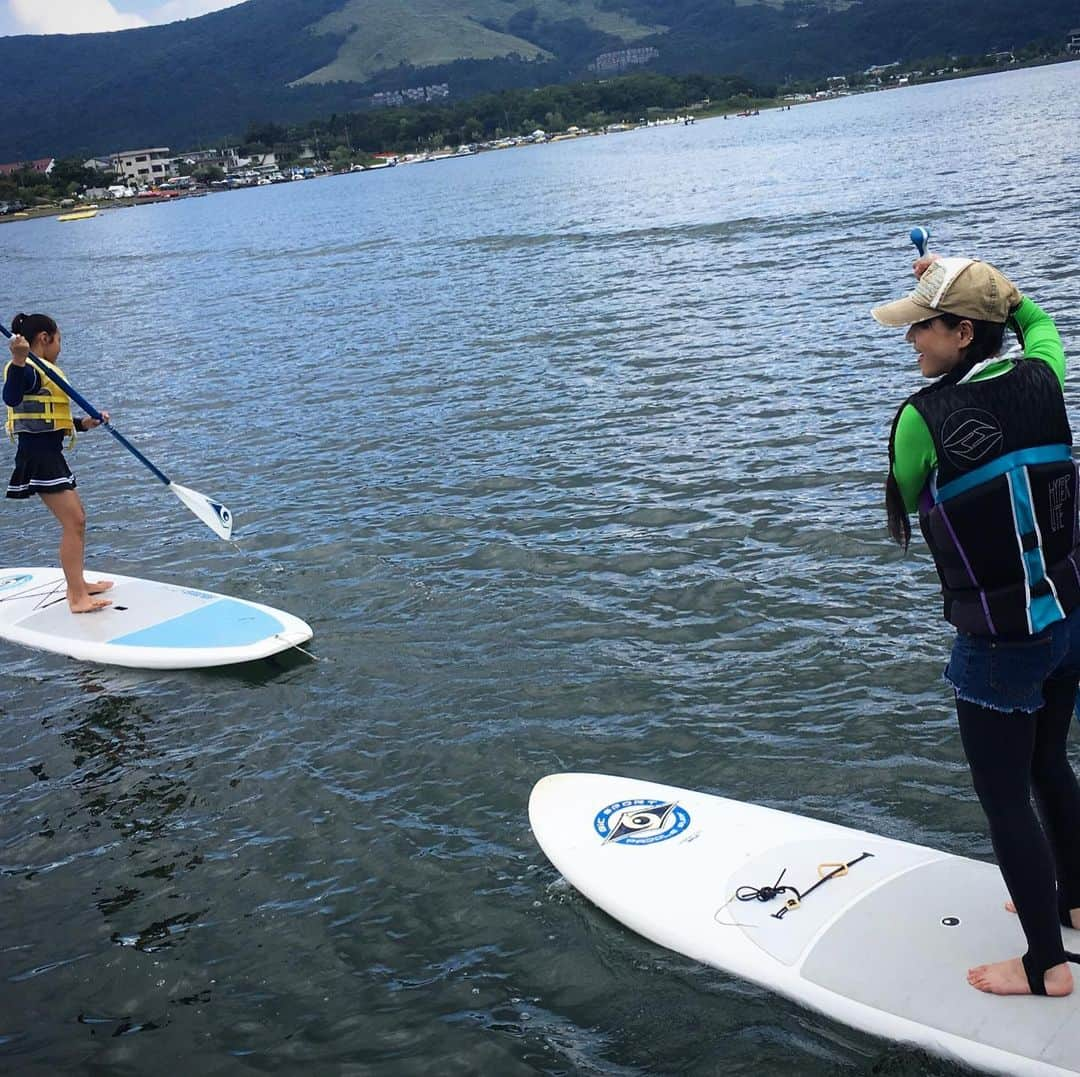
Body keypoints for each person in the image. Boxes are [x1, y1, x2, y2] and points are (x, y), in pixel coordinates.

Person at [875, 253, 1080, 997]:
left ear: (962, 332)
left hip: (998, 642)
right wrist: (981, 278)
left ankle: (1043, 966)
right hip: (1068, 621)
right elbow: (1036, 321)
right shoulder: (1045, 374)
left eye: (921, 327)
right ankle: (1075, 902)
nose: (910, 342)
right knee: (1050, 762)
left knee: (1003, 798)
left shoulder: (918, 420)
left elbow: (904, 496)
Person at [4, 312, 113, 613]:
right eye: (59, 340)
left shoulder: (43, 370)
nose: (60, 347)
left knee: (78, 519)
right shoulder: (28, 371)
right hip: (38, 459)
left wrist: (83, 423)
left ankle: (77, 585)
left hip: (51, 455)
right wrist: (17, 360)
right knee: (73, 522)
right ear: (44, 339)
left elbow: (49, 418)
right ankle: (77, 597)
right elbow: (12, 398)